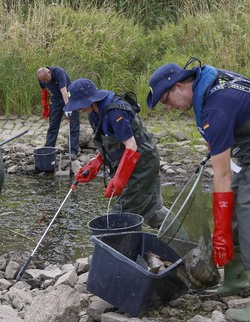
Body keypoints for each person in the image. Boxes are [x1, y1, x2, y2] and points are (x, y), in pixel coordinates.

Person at [147, 58, 250, 322]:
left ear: (179, 86)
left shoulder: (215, 108)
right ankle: (238, 279)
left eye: (166, 100)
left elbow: (222, 174)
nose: (168, 107)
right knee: (235, 205)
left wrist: (220, 231)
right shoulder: (210, 83)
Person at [64, 78, 174, 229]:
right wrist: (96, 163)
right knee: (152, 210)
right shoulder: (93, 113)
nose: (78, 109)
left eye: (80, 104)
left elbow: (131, 145)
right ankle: (187, 245)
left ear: (90, 98)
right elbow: (110, 144)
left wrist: (119, 179)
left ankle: (116, 249)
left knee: (120, 215)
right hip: (131, 162)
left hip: (142, 164)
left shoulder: (115, 111)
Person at [36, 66, 80, 160]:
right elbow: (44, 91)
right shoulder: (42, 78)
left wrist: (68, 108)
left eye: (47, 80)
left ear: (49, 73)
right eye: (44, 81)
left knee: (73, 125)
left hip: (69, 97)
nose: (46, 82)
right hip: (56, 99)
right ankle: (49, 148)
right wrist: (45, 106)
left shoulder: (59, 72)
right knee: (53, 125)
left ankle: (73, 151)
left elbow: (64, 91)